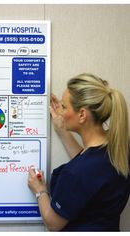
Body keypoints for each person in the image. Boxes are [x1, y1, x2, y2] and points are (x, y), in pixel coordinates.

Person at [28, 73, 130, 231]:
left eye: (64, 106)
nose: (60, 111)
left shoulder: (77, 172)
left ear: (82, 115)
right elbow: (88, 167)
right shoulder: (119, 150)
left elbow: (53, 223)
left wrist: (40, 190)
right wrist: (62, 130)